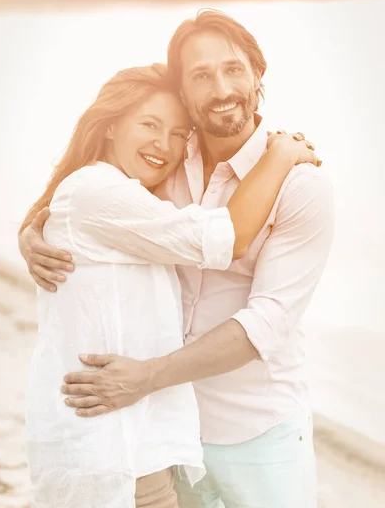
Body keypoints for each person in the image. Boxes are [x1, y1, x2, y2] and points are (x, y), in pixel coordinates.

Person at [19, 61, 320, 508]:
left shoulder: (122, 196)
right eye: (149, 125)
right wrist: (279, 153)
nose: (165, 145)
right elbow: (226, 237)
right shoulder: (97, 191)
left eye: (180, 133)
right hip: (113, 457)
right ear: (108, 127)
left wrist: (27, 233)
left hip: (131, 451)